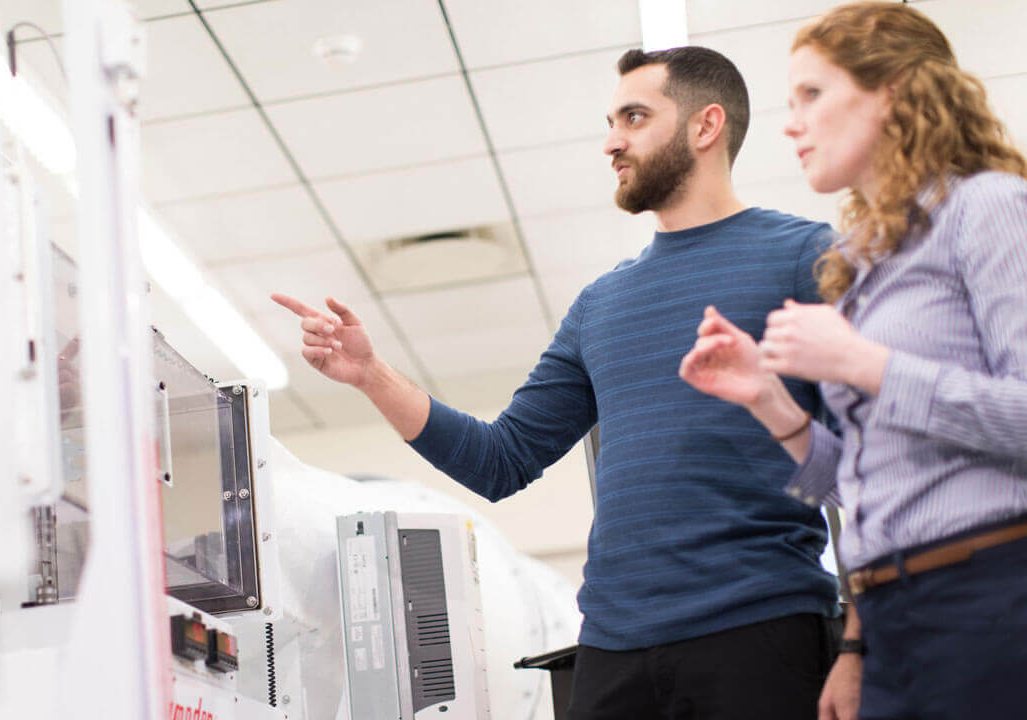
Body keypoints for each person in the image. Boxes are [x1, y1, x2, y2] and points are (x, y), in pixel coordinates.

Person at [276, 47, 845, 720]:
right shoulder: (601, 305)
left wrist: (865, 644)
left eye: (634, 117)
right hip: (613, 647)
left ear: (706, 125)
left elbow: (866, 476)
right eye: (610, 121)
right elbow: (501, 459)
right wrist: (371, 376)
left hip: (760, 631)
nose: (612, 141)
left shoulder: (807, 259)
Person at [679, 3, 1027, 719]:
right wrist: (767, 399)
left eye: (812, 94)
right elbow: (869, 485)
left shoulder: (988, 208)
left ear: (894, 93)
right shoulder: (866, 269)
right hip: (894, 614)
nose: (790, 122)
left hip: (991, 596)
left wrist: (865, 364)